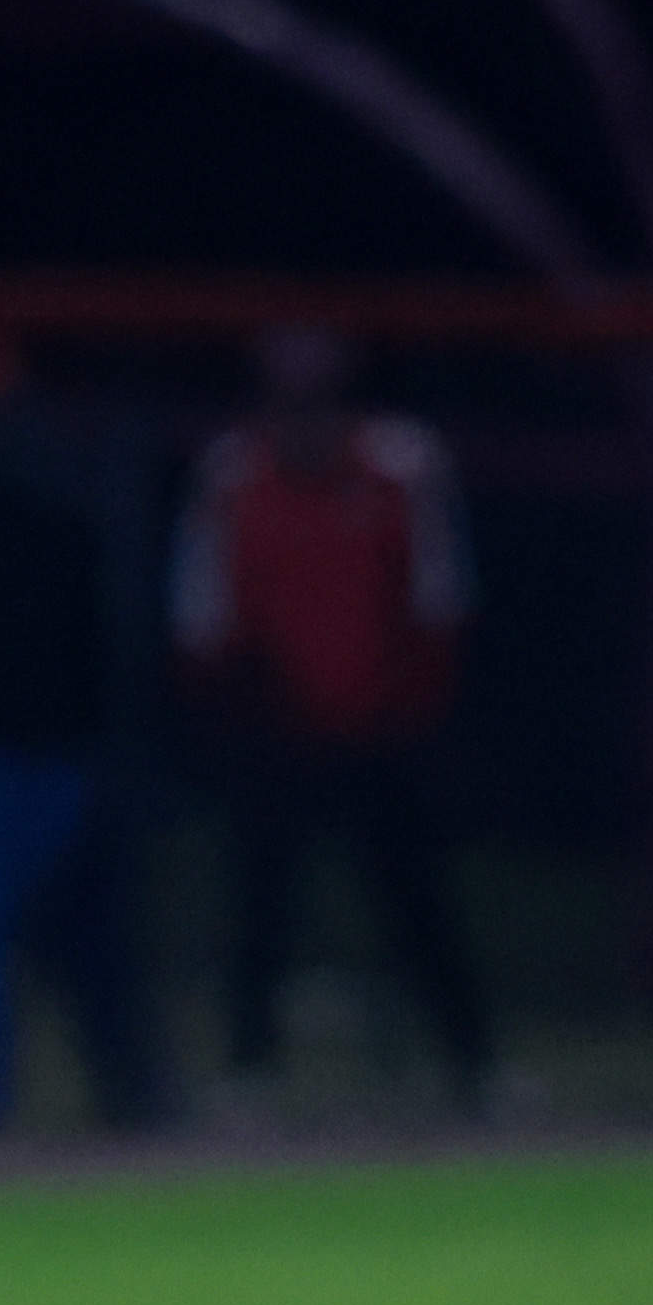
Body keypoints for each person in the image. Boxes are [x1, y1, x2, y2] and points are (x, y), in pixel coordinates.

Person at [172, 327, 492, 1111]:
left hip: (381, 729)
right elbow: (202, 615)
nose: (305, 421)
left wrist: (411, 709)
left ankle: (474, 1067)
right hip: (272, 728)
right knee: (258, 907)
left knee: (415, 900)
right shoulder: (233, 470)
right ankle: (249, 1070)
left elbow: (440, 602)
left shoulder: (400, 461)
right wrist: (236, 709)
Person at [0, 330, 170, 1133]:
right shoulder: (49, 501)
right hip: (52, 761)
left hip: (12, 765)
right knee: (68, 939)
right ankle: (126, 1098)